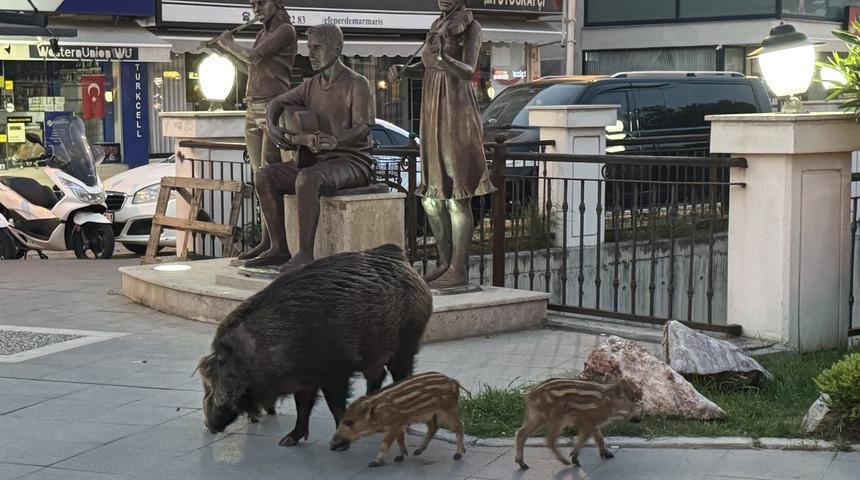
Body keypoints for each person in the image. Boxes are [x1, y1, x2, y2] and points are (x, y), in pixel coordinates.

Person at [245, 24, 375, 271]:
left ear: (336, 49)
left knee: (306, 179)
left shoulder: (357, 83)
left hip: (351, 162)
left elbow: (364, 127)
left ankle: (305, 254)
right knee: (264, 176)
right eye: (309, 48)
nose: (311, 55)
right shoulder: (311, 85)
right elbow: (276, 103)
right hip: (317, 161)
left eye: (318, 48)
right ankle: (279, 247)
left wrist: (336, 140)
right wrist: (273, 128)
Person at [389, 0, 495, 288]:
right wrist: (405, 70)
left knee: (457, 194)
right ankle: (444, 262)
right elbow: (428, 68)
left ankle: (458, 269)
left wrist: (443, 59)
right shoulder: (436, 25)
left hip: (457, 111)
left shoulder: (471, 26)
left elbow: (468, 69)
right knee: (432, 197)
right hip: (433, 109)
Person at [213, 0, 297, 261]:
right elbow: (252, 67)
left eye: (262, 2)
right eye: (253, 4)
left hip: (273, 107)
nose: (256, 8)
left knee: (268, 174)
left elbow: (254, 56)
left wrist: (229, 44)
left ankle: (279, 246)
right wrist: (224, 53)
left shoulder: (286, 30)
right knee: (260, 178)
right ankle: (267, 240)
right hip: (253, 108)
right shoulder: (263, 33)